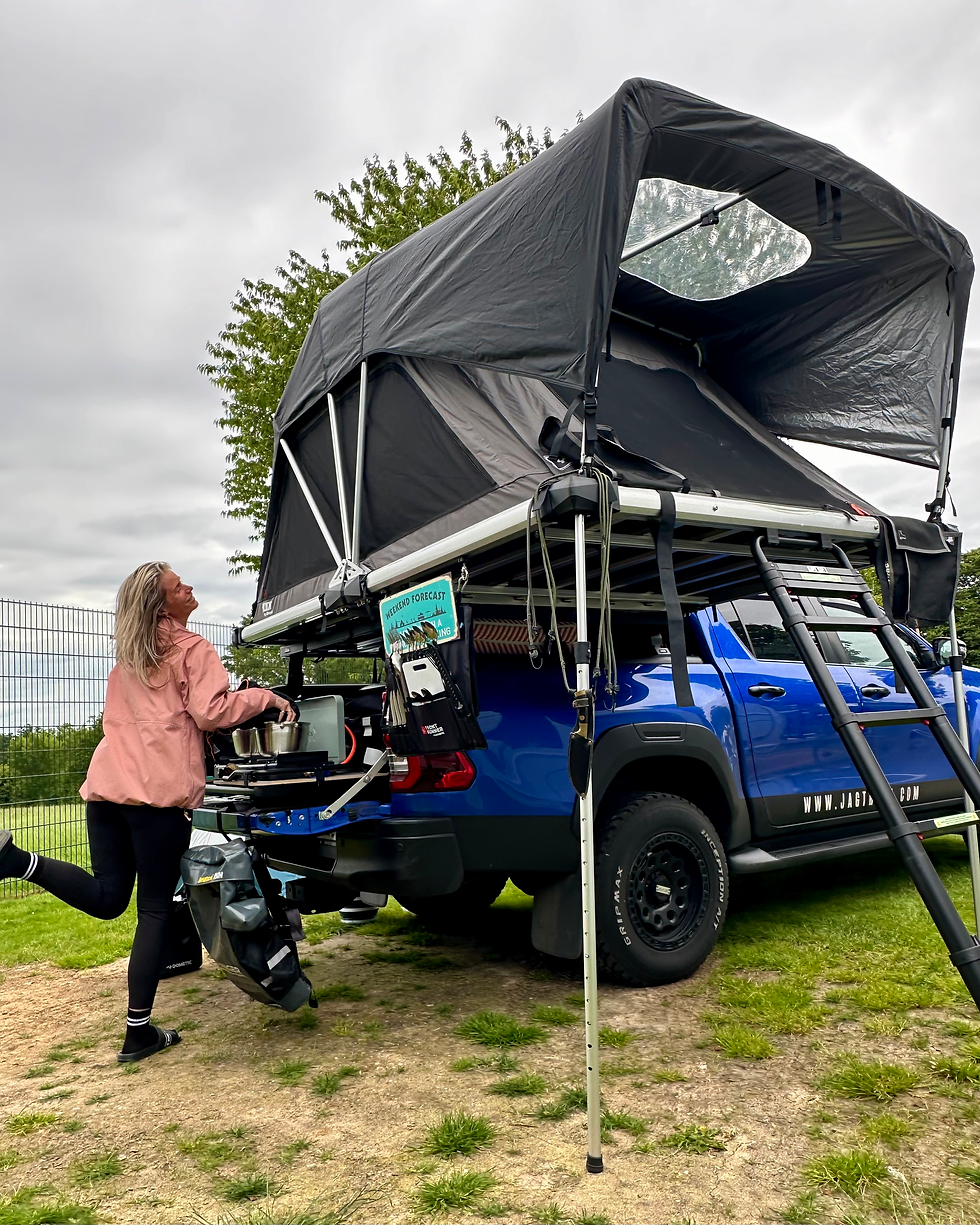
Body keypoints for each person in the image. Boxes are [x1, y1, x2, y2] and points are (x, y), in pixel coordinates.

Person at [0, 562, 294, 1062]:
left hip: (107, 790)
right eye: (180, 586)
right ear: (164, 605)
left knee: (109, 897)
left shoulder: (129, 657)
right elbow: (212, 712)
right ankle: (138, 1033)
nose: (190, 588)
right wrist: (265, 697)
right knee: (154, 910)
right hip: (157, 799)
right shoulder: (193, 648)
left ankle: (16, 863)